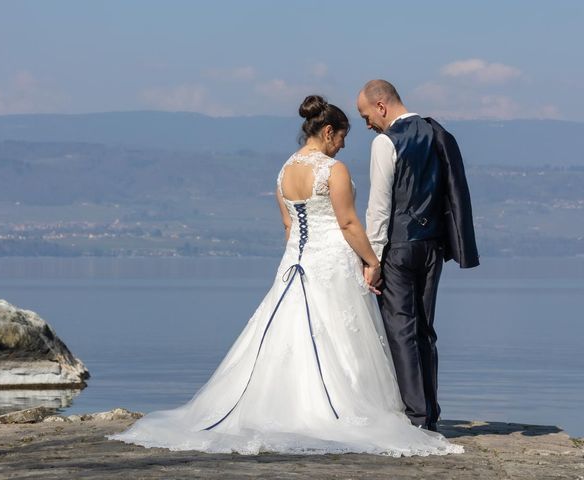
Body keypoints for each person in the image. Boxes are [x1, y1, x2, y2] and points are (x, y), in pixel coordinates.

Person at [108, 95, 463, 456]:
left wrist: (300, 256)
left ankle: (284, 405)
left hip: (296, 261)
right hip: (332, 263)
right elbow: (349, 222)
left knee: (289, 334)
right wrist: (371, 261)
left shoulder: (283, 172)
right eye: (341, 137)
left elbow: (288, 226)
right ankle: (336, 410)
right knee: (338, 338)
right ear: (327, 132)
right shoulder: (332, 171)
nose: (342, 146)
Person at [357, 80, 479, 432]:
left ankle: (416, 418)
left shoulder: (385, 142)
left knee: (401, 331)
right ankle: (430, 412)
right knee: (425, 329)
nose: (367, 124)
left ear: (381, 106)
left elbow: (379, 207)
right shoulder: (436, 132)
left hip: (398, 246)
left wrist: (372, 260)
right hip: (433, 246)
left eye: (366, 115)